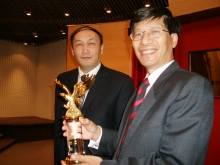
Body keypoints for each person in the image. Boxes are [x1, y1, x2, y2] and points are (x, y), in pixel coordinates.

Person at [61, 7, 214, 165]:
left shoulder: (191, 87)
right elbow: (128, 146)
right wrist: (96, 133)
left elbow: (177, 162)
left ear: (174, 39)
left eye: (155, 31)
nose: (145, 40)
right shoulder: (140, 90)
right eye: (138, 34)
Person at [54, 26, 134, 165]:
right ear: (72, 50)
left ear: (101, 48)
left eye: (91, 43)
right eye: (79, 44)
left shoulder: (121, 82)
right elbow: (58, 130)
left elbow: (125, 135)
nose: (85, 49)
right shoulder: (63, 80)